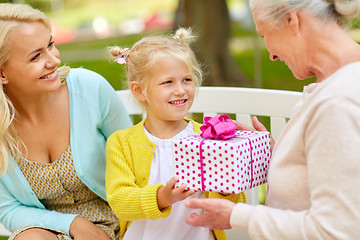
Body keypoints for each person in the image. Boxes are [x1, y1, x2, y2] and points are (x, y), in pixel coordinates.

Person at [184, 0, 360, 239]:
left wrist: (236, 215)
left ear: (292, 19)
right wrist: (281, 155)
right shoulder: (337, 84)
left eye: (265, 33)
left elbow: (334, 231)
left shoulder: (337, 102)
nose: (271, 54)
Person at [0, 3, 132, 240]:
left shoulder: (90, 89)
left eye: (50, 45)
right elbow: (7, 209)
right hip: (54, 233)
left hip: (124, 223)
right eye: (36, 56)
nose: (53, 60)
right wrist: (72, 224)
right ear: (2, 73)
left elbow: (137, 160)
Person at [105, 28, 246, 240]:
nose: (180, 90)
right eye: (168, 82)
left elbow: (235, 205)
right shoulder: (122, 143)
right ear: (139, 90)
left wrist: (225, 184)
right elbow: (120, 202)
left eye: (187, 80)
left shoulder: (207, 137)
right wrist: (164, 196)